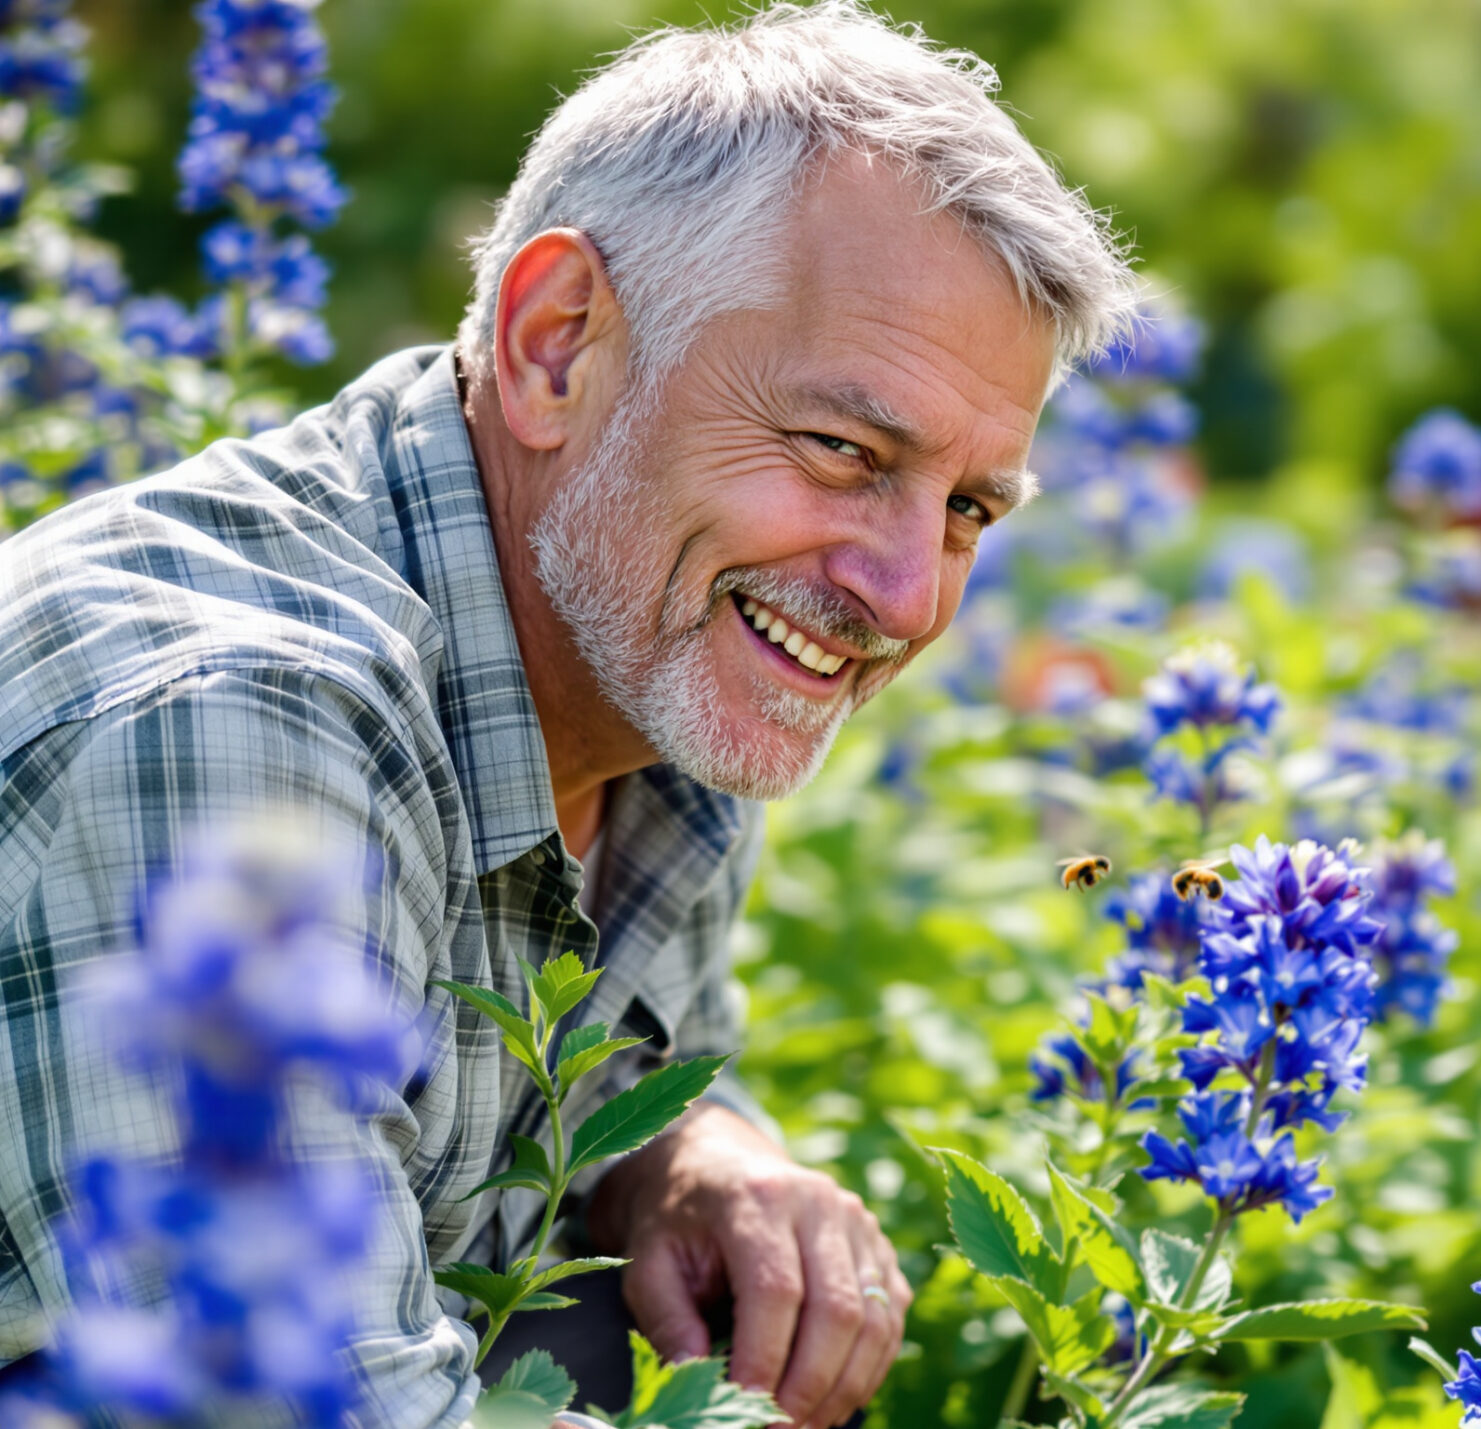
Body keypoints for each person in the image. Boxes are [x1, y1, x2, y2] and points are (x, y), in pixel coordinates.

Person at [0, 4, 1135, 1425]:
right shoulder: (237, 733)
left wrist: (689, 1154)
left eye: (967, 507)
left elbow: (631, 1102)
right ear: (554, 343)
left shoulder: (651, 661)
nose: (906, 598)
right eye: (843, 449)